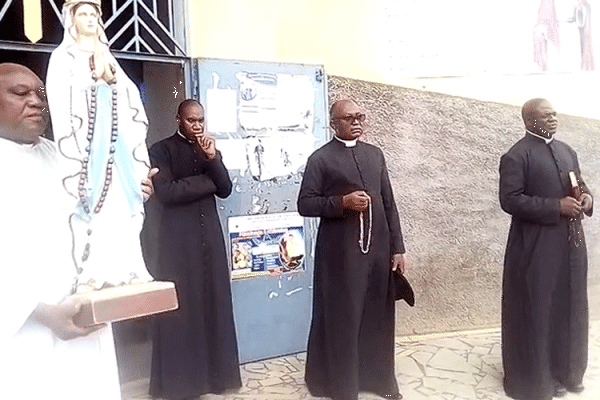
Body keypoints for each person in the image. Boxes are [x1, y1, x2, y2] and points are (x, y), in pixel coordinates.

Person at [0, 62, 156, 399]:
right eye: (20, 93)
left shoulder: (64, 156)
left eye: (41, 94)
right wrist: (41, 312)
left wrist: (130, 192)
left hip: (85, 315)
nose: (36, 102)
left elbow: (97, 211)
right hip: (23, 332)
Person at [297, 99, 407, 400]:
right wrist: (341, 203)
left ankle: (380, 381)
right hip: (340, 256)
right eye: (349, 118)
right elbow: (305, 204)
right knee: (343, 317)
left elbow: (388, 202)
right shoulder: (321, 159)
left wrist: (398, 248)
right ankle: (342, 387)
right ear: (334, 123)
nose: (356, 122)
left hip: (378, 251)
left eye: (360, 117)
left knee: (378, 316)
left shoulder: (375, 154)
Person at [46, 0, 153, 292]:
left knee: (124, 203)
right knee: (91, 204)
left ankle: (131, 265)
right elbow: (60, 98)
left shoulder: (107, 55)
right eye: (84, 14)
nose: (90, 19)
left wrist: (112, 79)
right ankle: (90, 269)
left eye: (94, 14)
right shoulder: (62, 58)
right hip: (87, 145)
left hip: (116, 145)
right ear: (71, 19)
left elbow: (129, 95)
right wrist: (93, 80)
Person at [499, 98, 593, 400]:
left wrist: (587, 199)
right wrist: (556, 206)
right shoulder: (516, 155)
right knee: (539, 309)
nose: (553, 118)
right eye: (545, 115)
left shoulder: (567, 151)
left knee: (571, 306)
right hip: (535, 247)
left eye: (554, 113)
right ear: (528, 120)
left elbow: (579, 185)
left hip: (571, 244)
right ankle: (538, 378)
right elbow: (510, 200)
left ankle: (569, 371)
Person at [149, 99, 241, 400]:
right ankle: (181, 384)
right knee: (182, 312)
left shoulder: (209, 149)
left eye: (201, 120)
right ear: (179, 119)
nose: (197, 126)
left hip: (209, 241)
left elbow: (225, 188)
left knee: (212, 305)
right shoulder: (161, 150)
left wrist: (212, 159)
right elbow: (167, 192)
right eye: (191, 120)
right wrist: (207, 181)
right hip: (179, 243)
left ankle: (215, 379)